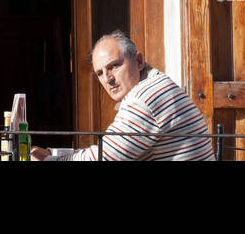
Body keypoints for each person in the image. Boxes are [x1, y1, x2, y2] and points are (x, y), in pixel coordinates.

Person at [33, 30, 214, 161]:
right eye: (100, 73)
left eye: (114, 66)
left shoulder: (145, 98)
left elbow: (106, 157)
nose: (108, 79)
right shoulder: (154, 83)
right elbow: (110, 150)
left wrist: (49, 160)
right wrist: (54, 154)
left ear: (139, 61)